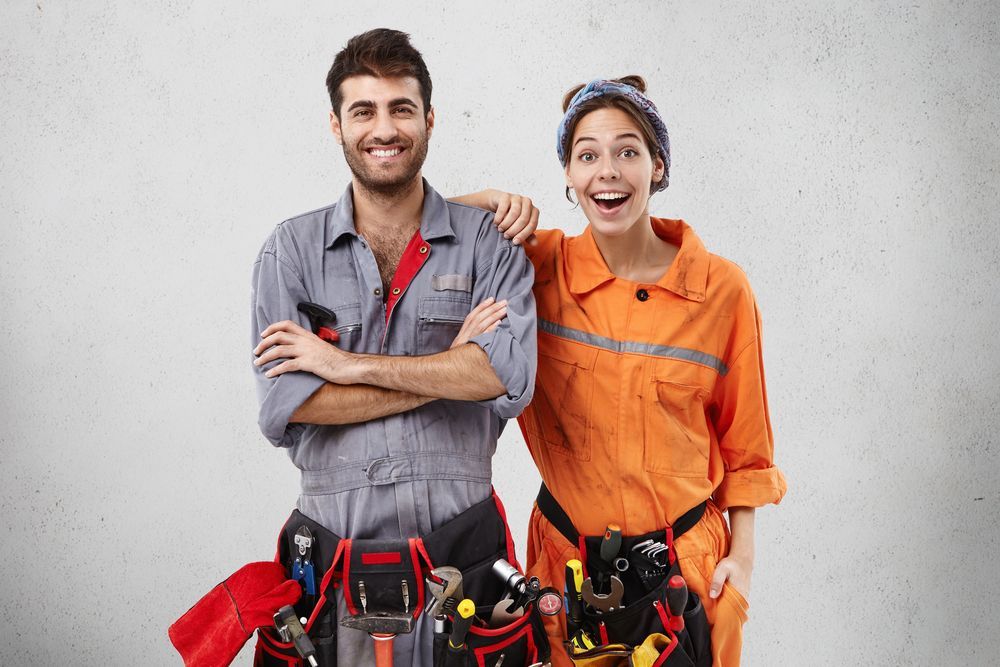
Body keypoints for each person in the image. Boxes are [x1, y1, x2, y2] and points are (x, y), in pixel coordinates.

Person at [465, 76, 787, 666]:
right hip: (565, 571)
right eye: (586, 154)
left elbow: (747, 453)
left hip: (686, 575)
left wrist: (741, 563)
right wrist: (482, 203)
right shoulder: (536, 269)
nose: (606, 170)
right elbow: (412, 232)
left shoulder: (722, 291)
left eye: (627, 151)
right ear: (567, 174)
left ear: (657, 166)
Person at [249, 29, 537, 666]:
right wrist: (448, 368)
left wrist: (344, 366)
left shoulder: (488, 242)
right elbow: (288, 404)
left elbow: (503, 374)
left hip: (460, 551)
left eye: (401, 108)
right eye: (364, 110)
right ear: (336, 124)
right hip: (331, 557)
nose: (385, 128)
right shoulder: (290, 253)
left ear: (429, 119)